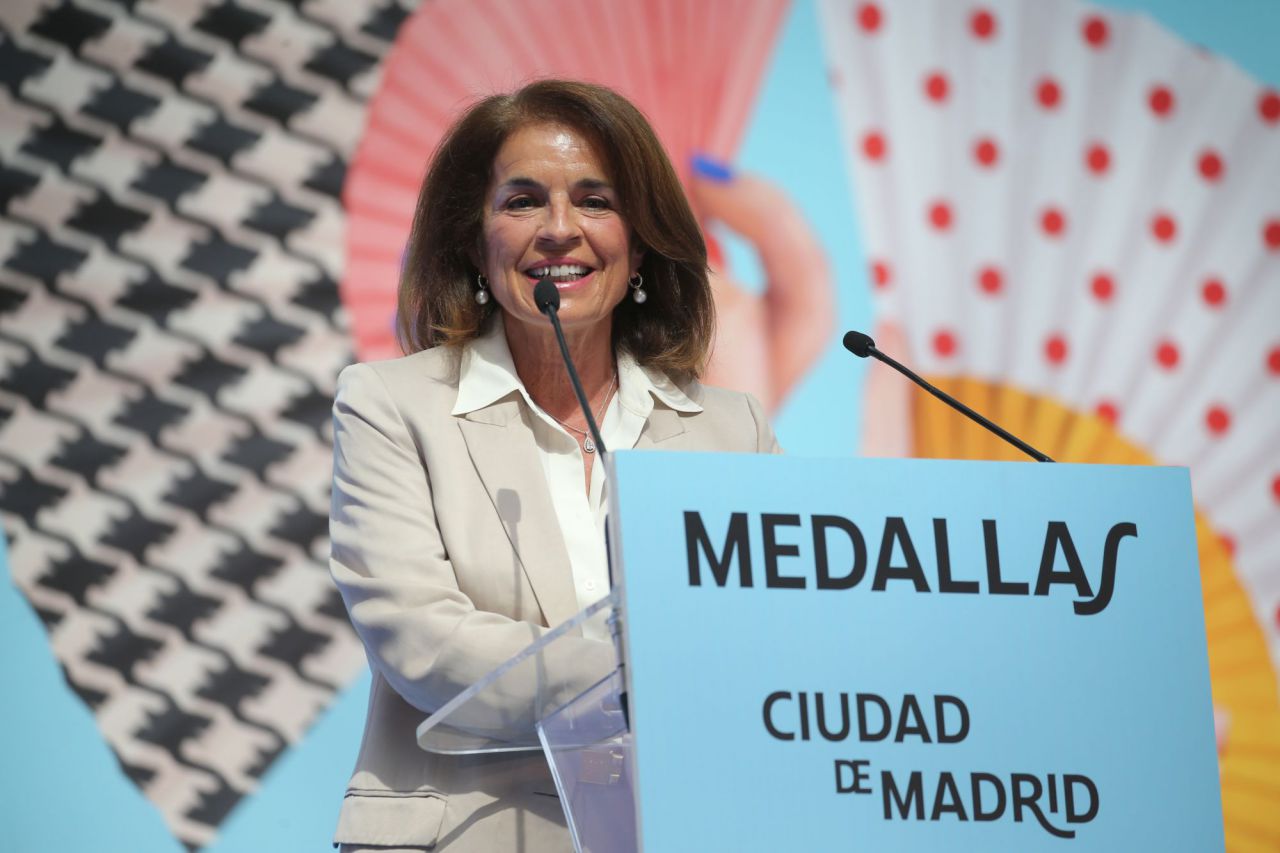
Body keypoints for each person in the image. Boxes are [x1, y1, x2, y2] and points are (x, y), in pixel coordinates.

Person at [328, 79, 779, 852]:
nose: (560, 230)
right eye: (523, 201)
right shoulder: (391, 405)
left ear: (638, 243)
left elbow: (773, 644)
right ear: (476, 241)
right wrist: (653, 656)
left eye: (597, 201)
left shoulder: (730, 430)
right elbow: (425, 643)